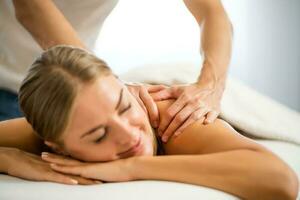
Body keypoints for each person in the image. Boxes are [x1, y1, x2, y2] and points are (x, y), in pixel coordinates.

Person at [0, 46, 298, 200]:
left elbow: (281, 182)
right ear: (58, 147)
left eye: (125, 106)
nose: (129, 134)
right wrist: (8, 158)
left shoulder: (174, 121)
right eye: (99, 135)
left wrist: (129, 168)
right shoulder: (54, 126)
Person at [0, 0, 233, 141]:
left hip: (77, 96)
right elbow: (31, 8)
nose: (131, 135)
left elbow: (211, 11)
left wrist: (210, 86)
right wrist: (106, 84)